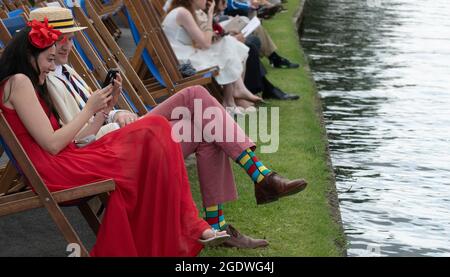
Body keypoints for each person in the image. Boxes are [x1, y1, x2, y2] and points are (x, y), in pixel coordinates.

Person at [35, 7, 308, 249]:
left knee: (206, 130)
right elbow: (74, 139)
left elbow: (95, 111)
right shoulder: (44, 81)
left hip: (118, 129)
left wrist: (116, 109)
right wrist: (99, 113)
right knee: (194, 96)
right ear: (43, 44)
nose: (66, 46)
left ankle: (219, 225)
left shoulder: (67, 71)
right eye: (59, 41)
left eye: (69, 39)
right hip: (109, 147)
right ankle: (261, 177)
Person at [0, 18, 230, 256]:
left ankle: (190, 226)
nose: (51, 66)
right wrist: (88, 109)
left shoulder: (24, 83)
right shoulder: (19, 82)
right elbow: (53, 143)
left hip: (65, 159)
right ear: (29, 55)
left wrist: (101, 112)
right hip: (56, 171)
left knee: (155, 131)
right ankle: (191, 226)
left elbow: (68, 140)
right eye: (48, 59)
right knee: (154, 131)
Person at [163, 0, 262, 113]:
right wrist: (210, 15)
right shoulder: (182, 12)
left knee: (226, 44)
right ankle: (230, 99)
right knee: (226, 46)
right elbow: (205, 43)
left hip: (182, 58)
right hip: (183, 64)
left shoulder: (182, 11)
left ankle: (231, 99)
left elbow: (201, 42)